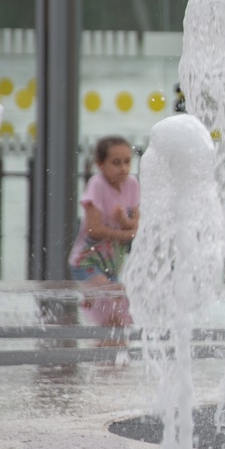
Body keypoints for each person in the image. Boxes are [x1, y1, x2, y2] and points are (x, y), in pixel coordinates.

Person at [69, 136, 140, 328]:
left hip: (112, 264)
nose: (124, 168)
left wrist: (124, 220)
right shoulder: (97, 184)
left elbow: (136, 225)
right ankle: (104, 355)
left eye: (127, 161)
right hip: (87, 261)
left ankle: (116, 357)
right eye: (116, 163)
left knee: (117, 320)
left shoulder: (132, 184)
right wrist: (125, 234)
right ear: (100, 163)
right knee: (109, 305)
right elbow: (94, 229)